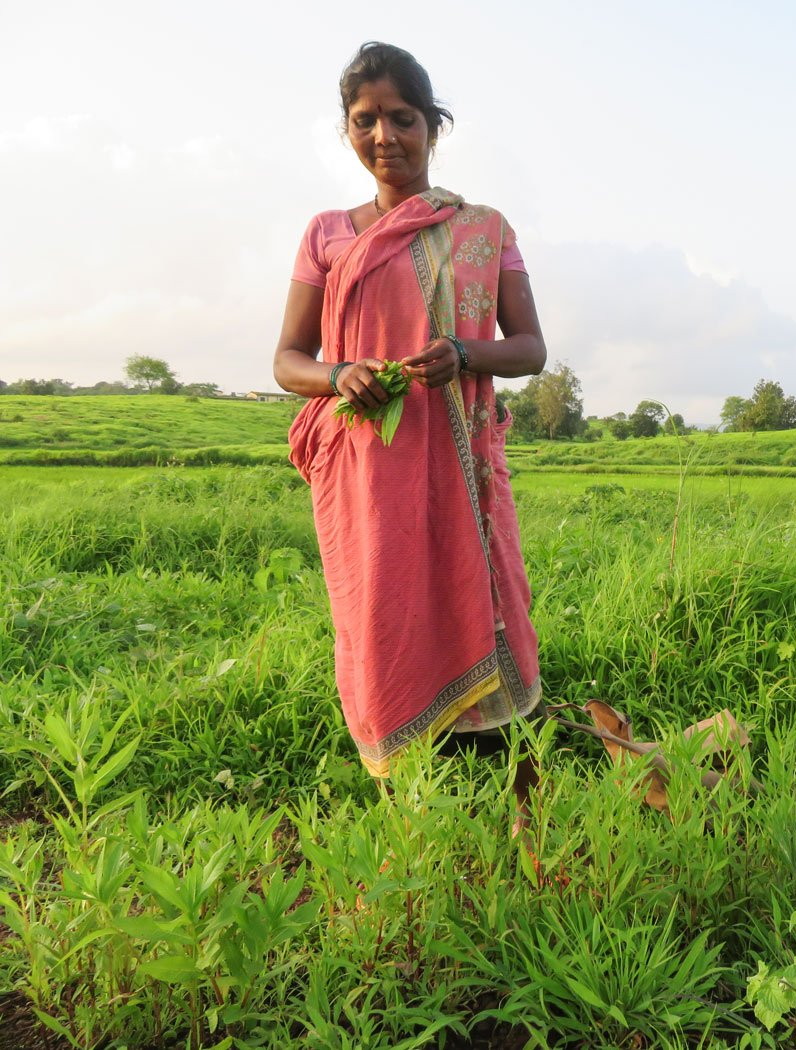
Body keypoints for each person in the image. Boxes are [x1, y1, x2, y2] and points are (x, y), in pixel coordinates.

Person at [272, 42, 546, 811]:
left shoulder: (483, 227)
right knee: (385, 602)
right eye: (365, 120)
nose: (384, 135)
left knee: (477, 588)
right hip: (368, 465)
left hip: (463, 461)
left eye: (402, 117)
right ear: (347, 131)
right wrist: (339, 375)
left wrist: (463, 353)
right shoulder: (327, 232)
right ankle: (405, 762)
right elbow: (288, 360)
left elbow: (529, 347)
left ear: (433, 125)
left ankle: (491, 746)